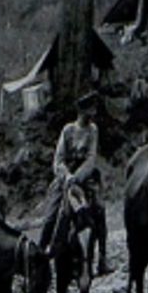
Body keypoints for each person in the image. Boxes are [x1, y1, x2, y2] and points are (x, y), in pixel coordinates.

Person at [40, 91, 111, 276]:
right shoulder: (68, 130)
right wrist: (67, 176)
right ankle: (41, 257)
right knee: (50, 215)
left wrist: (78, 177)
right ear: (81, 111)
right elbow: (58, 160)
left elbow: (91, 158)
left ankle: (102, 258)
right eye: (89, 109)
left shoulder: (93, 130)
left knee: (100, 210)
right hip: (66, 177)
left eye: (93, 109)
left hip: (86, 177)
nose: (92, 113)